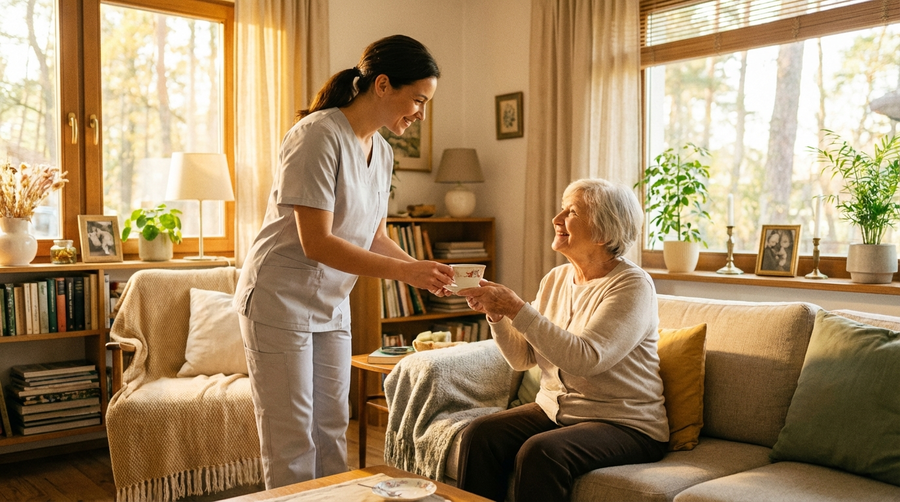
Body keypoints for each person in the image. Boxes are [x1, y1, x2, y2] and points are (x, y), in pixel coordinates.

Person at [233, 34, 454, 489]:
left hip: (332, 303)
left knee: (333, 425)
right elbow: (317, 243)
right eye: (417, 100)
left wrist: (419, 269)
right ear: (383, 85)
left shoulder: (384, 151)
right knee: (292, 439)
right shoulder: (316, 134)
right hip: (280, 299)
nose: (420, 113)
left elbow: (373, 236)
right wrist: (403, 271)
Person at [456, 178, 669, 502]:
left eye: (570, 212)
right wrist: (497, 315)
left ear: (604, 231)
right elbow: (522, 358)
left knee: (541, 452)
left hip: (625, 423)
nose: (556, 219)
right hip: (555, 410)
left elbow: (585, 360)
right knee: (480, 435)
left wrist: (516, 307)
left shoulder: (632, 287)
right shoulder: (555, 279)